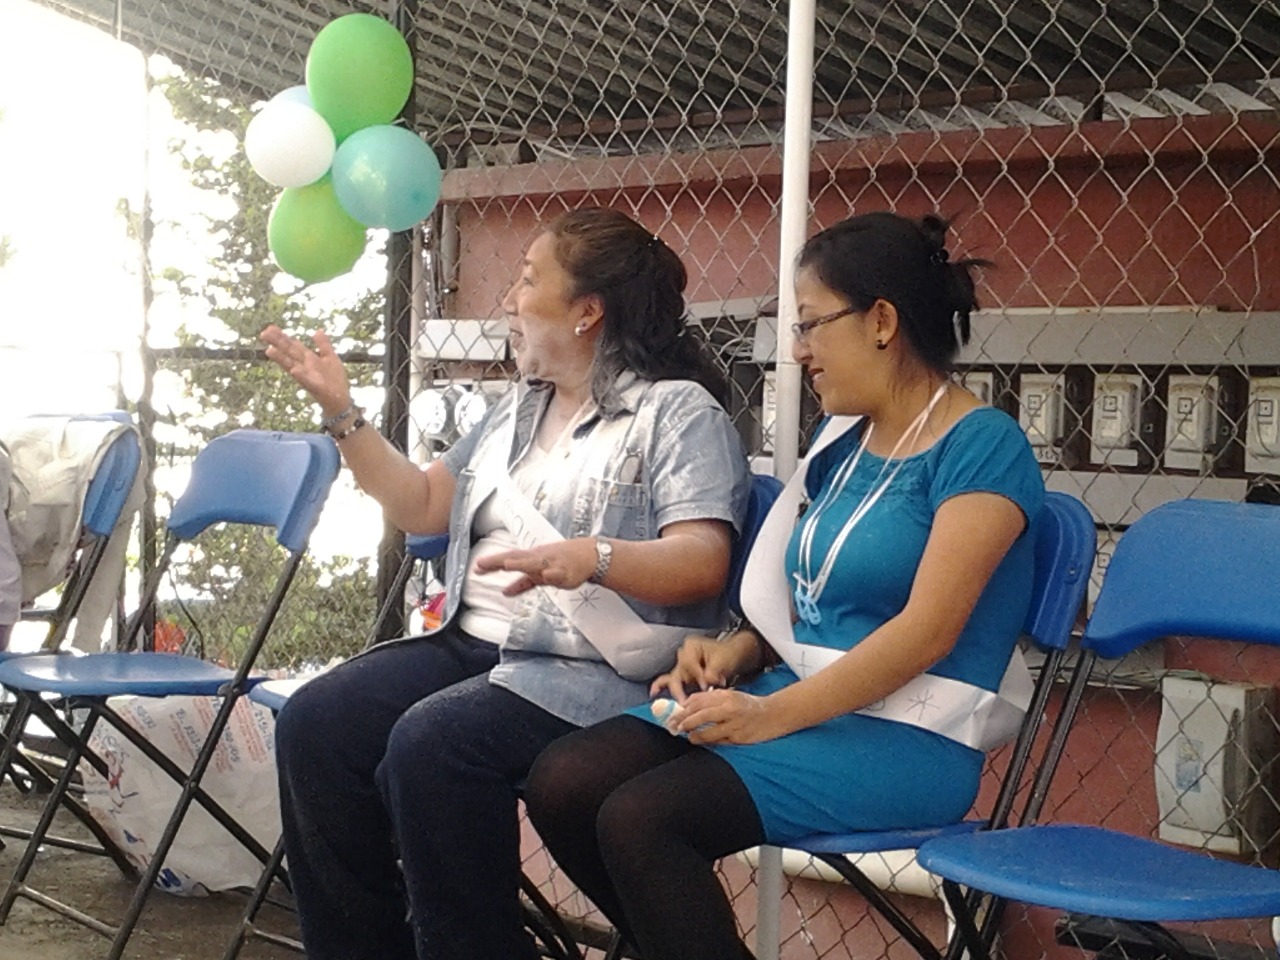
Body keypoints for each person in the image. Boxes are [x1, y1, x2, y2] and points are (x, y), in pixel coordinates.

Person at [525, 211, 1046, 960]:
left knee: (644, 818)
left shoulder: (983, 446)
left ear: (881, 322)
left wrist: (771, 716)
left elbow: (928, 630)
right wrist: (736, 653)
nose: (797, 351)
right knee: (566, 781)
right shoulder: (845, 444)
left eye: (809, 325)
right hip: (802, 704)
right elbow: (814, 602)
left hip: (909, 737)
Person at [258, 207, 751, 960]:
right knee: (317, 722)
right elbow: (422, 504)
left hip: (588, 668)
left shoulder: (676, 412)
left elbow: (702, 559)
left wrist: (595, 556)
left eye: (527, 280)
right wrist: (343, 412)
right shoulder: (519, 407)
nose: (510, 300)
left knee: (433, 746)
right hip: (473, 646)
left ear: (587, 311)